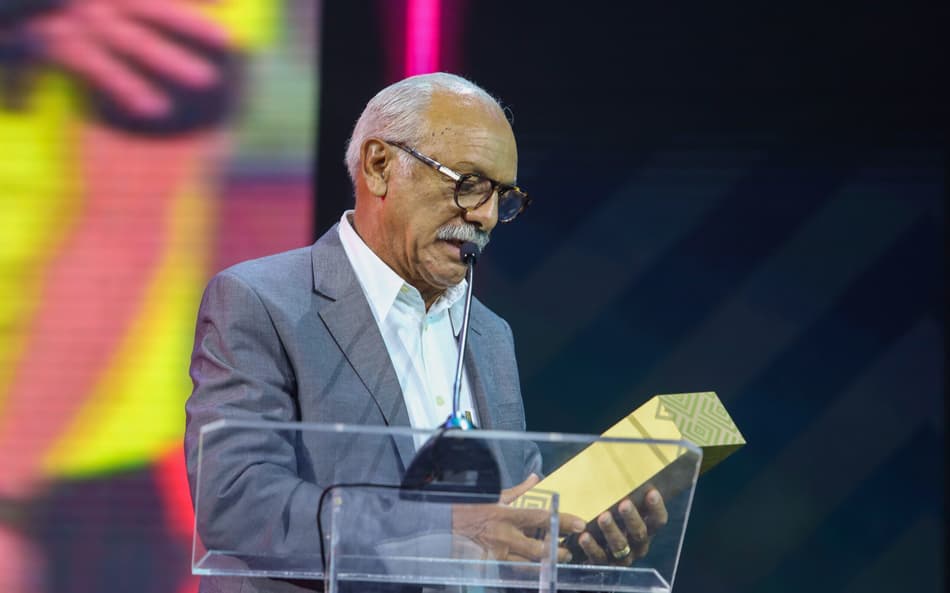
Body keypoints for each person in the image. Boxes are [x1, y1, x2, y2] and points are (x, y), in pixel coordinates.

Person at [184, 72, 667, 593]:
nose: (485, 216)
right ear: (379, 166)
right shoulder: (261, 300)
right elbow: (237, 500)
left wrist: (579, 546)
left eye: (501, 196)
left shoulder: (490, 335)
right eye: (468, 184)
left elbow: (508, 535)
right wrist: (445, 527)